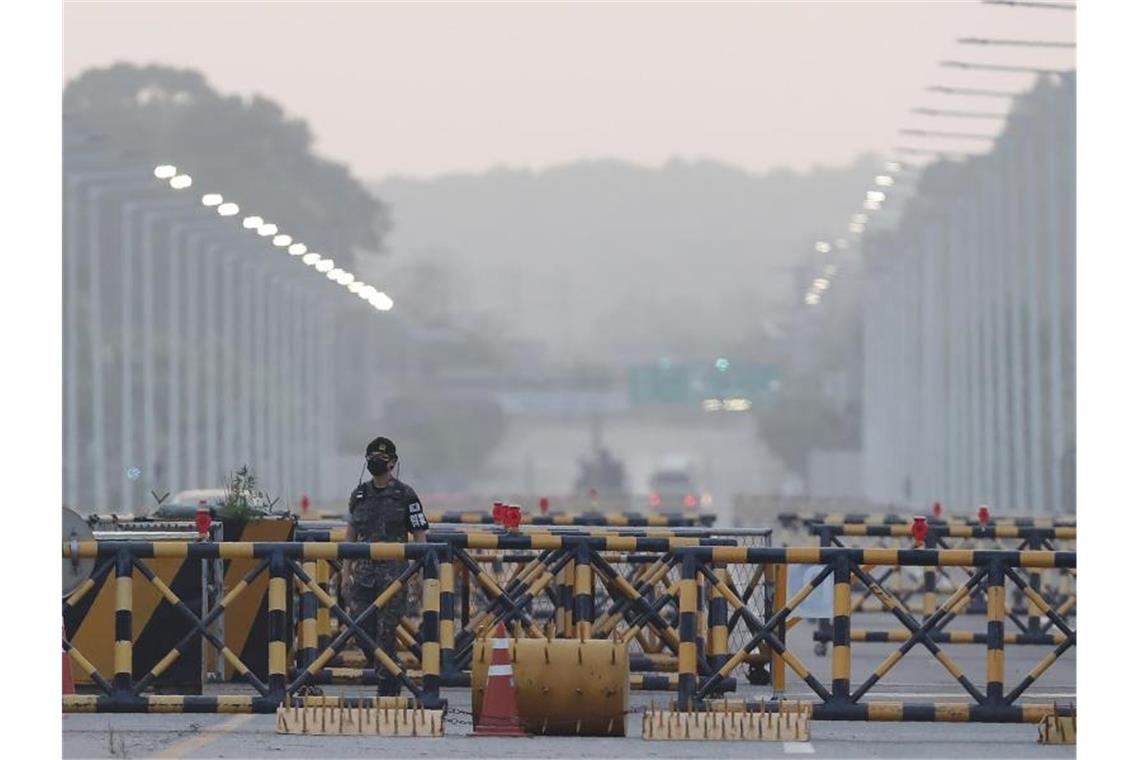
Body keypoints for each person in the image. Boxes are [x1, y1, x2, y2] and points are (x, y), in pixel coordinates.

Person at [343, 436, 429, 695]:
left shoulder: (406, 495)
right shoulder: (359, 494)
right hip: (364, 575)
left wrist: (421, 574)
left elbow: (420, 536)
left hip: (395, 576)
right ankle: (391, 672)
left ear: (392, 462)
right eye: (371, 458)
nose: (375, 462)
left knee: (385, 632)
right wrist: (346, 570)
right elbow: (350, 533)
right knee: (360, 629)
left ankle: (388, 685)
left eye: (381, 458)